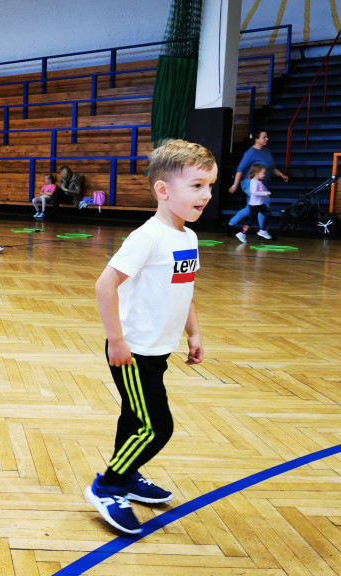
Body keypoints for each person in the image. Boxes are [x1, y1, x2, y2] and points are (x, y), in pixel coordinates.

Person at [86, 139, 213, 535]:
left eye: (209, 185)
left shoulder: (187, 238)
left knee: (134, 418)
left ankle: (127, 475)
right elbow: (105, 285)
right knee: (156, 426)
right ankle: (107, 485)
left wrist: (193, 333)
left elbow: (184, 290)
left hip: (159, 350)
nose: (206, 194)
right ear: (164, 190)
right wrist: (117, 341)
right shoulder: (149, 236)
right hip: (132, 352)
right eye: (196, 186)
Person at [227, 130, 289, 232]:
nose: (267, 139)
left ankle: (230, 225)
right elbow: (240, 169)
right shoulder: (250, 153)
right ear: (257, 140)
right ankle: (263, 231)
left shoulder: (266, 151)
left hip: (260, 184)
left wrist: (281, 175)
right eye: (264, 137)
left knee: (249, 208)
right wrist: (235, 185)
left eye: (266, 137)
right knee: (263, 201)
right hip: (249, 183)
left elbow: (272, 168)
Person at [236, 163, 272, 242]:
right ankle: (242, 234)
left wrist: (263, 194)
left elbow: (260, 190)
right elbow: (254, 192)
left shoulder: (259, 182)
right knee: (251, 221)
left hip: (260, 204)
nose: (264, 175)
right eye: (263, 173)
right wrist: (265, 193)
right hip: (254, 205)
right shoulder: (253, 182)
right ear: (257, 173)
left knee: (268, 214)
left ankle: (262, 231)